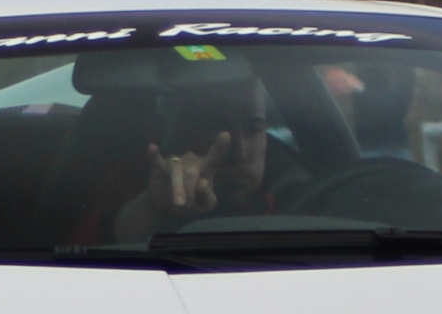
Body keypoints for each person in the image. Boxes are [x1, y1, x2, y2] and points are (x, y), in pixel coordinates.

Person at [110, 77, 310, 240]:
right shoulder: (125, 184)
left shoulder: (303, 196)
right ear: (170, 131)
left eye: (254, 128)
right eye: (213, 126)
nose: (239, 155)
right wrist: (150, 211)